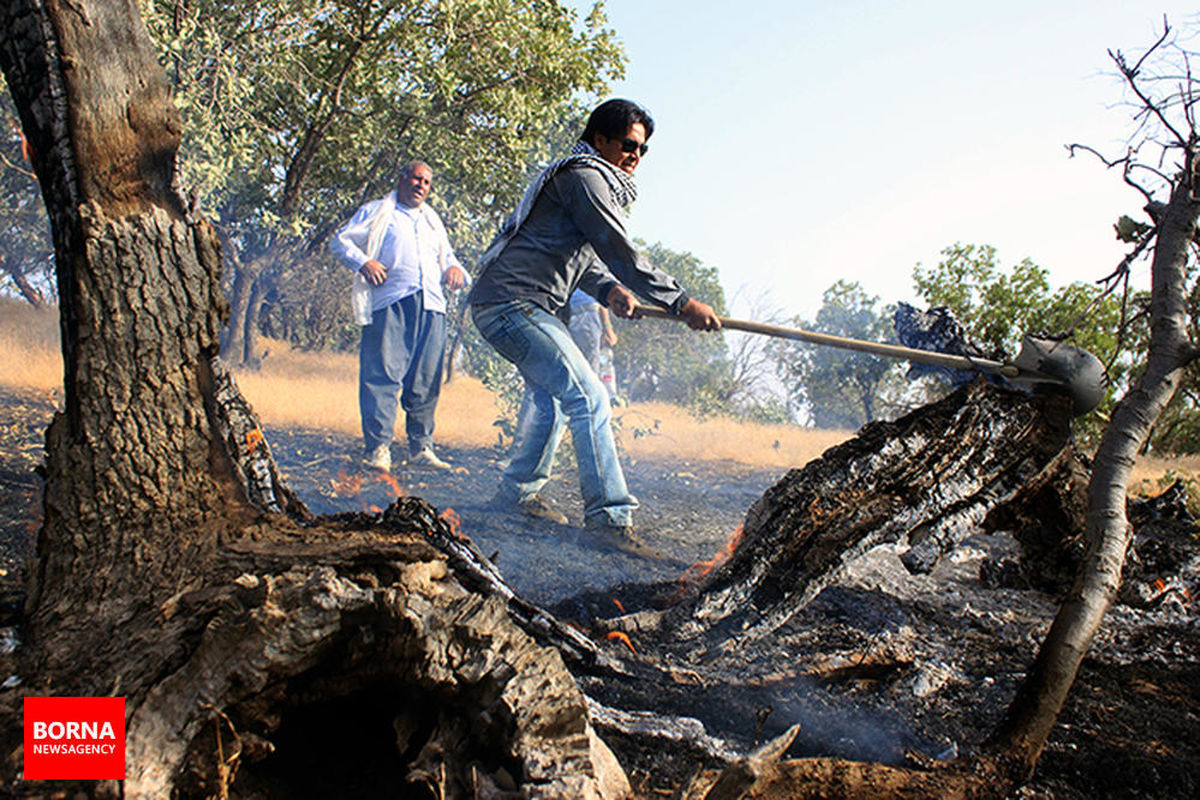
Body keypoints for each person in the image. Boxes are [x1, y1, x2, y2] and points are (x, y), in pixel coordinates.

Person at [468, 98, 721, 553]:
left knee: (552, 400)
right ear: (599, 139)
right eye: (628, 145)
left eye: (642, 150)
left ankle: (516, 495)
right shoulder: (585, 178)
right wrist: (682, 302)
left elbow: (579, 257)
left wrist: (608, 291)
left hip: (514, 304)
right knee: (588, 395)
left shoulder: (590, 180)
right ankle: (608, 519)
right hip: (512, 303)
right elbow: (618, 249)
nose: (635, 157)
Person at [331, 160, 467, 472]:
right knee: (382, 375)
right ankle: (378, 448)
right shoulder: (379, 211)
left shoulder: (432, 220)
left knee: (426, 379)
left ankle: (421, 449)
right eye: (416, 179)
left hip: (432, 306)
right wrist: (364, 262)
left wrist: (454, 269)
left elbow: (448, 257)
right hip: (391, 301)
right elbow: (340, 241)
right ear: (402, 179)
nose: (421, 186)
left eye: (427, 182)